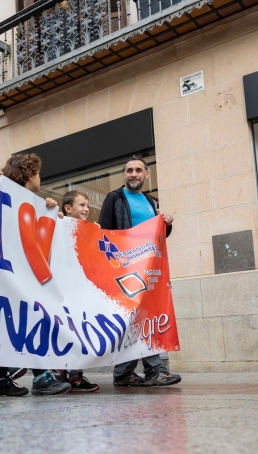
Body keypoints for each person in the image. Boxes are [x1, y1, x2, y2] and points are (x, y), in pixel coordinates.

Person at [0, 154, 71, 397]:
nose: (40, 178)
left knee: (19, 320)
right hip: (13, 270)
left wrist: (52, 216)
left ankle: (0, 378)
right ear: (28, 175)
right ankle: (41, 377)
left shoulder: (32, 203)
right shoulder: (3, 192)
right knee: (32, 317)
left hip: (17, 271)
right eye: (37, 173)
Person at [98, 156, 181, 387]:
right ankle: (154, 371)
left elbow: (157, 237)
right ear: (124, 175)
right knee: (139, 318)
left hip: (149, 271)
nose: (133, 174)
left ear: (146, 175)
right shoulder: (115, 198)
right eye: (129, 170)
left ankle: (123, 374)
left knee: (142, 318)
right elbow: (104, 234)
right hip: (124, 270)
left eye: (138, 170)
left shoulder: (151, 202)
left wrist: (167, 224)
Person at [56, 190, 101, 393]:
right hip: (63, 287)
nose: (86, 209)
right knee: (64, 331)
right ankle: (61, 373)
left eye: (87, 206)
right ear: (68, 208)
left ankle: (76, 374)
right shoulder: (58, 224)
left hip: (81, 288)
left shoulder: (89, 229)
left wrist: (96, 235)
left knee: (80, 330)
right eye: (81, 205)